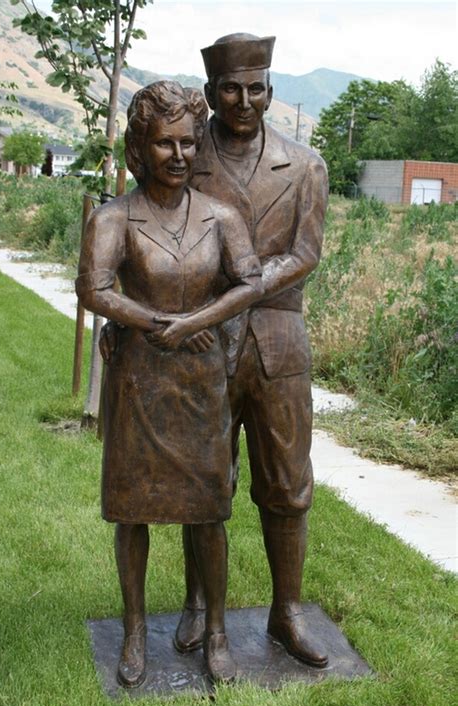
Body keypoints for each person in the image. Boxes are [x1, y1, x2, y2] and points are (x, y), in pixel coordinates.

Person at [76, 80, 263, 687]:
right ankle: (134, 629)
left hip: (201, 382)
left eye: (187, 142)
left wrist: (195, 323)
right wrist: (161, 324)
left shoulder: (222, 218)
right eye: (164, 144)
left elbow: (250, 283)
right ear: (140, 148)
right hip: (138, 382)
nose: (179, 155)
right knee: (132, 511)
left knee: (208, 512)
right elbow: (94, 289)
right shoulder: (113, 218)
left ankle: (215, 631)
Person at [173, 33, 330, 668]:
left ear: (271, 91)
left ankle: (286, 612)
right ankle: (194, 604)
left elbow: (305, 255)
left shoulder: (307, 165)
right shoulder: (182, 156)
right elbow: (152, 231)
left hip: (278, 345)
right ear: (211, 93)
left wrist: (243, 285)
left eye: (256, 88)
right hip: (202, 345)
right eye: (231, 89)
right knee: (202, 484)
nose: (244, 100)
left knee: (288, 485)